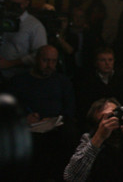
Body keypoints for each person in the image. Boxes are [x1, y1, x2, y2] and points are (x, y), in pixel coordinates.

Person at [8, 45, 78, 180]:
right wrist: (24, 117)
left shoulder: (62, 81)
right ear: (36, 59)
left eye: (53, 61)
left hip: (57, 126)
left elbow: (70, 107)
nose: (49, 65)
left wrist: (57, 119)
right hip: (29, 127)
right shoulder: (19, 81)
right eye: (45, 60)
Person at [64, 97, 123, 182]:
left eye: (116, 115)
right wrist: (97, 140)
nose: (114, 121)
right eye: (107, 118)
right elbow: (72, 177)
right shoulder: (90, 137)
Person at [76, 47, 123, 130]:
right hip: (97, 119)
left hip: (121, 118)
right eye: (103, 60)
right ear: (96, 63)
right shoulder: (88, 81)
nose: (107, 63)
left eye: (110, 60)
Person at [0, 0, 47, 81]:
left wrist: (11, 63)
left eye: (18, 5)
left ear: (26, 3)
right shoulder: (2, 18)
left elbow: (40, 54)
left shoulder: (34, 26)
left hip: (18, 78)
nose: (14, 7)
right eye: (11, 3)